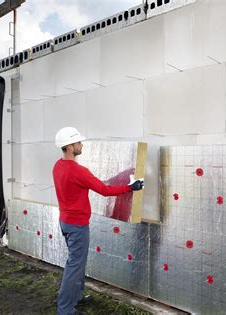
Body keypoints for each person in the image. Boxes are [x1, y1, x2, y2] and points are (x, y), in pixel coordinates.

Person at [52, 127, 144, 315]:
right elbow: (104, 190)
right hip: (77, 225)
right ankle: (65, 310)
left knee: (78, 262)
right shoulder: (78, 171)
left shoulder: (57, 166)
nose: (81, 145)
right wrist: (130, 187)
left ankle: (76, 296)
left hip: (66, 222)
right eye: (78, 142)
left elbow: (95, 184)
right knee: (74, 265)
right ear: (70, 147)